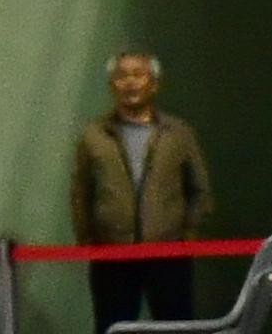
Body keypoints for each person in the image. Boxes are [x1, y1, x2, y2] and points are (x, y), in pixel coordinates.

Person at [71, 51, 213, 333]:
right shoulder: (94, 136)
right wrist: (87, 237)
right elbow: (81, 192)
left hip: (169, 254)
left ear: (154, 84)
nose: (130, 83)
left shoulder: (178, 133)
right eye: (122, 76)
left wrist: (187, 235)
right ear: (112, 85)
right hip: (112, 254)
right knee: (112, 326)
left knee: (178, 326)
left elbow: (200, 191)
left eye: (138, 75)